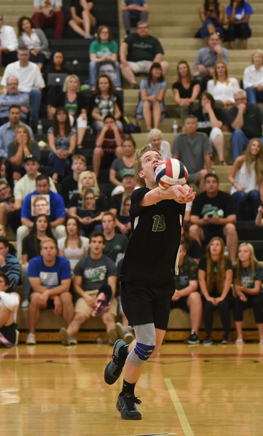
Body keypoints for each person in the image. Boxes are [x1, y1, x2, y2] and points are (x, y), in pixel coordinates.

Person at [102, 144, 194, 420]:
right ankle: (126, 396)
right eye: (148, 160)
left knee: (152, 344)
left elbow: (178, 195)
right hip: (136, 280)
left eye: (158, 157)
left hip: (163, 280)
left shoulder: (178, 199)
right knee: (145, 343)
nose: (155, 160)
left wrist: (183, 191)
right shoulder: (139, 195)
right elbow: (156, 195)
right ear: (142, 172)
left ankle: (121, 351)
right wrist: (172, 190)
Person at [60, 232, 119, 345]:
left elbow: (112, 285)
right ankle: (66, 335)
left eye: (100, 242)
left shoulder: (109, 263)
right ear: (90, 245)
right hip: (87, 295)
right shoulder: (82, 263)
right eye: (94, 242)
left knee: (108, 318)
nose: (97, 245)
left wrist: (108, 300)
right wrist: (86, 297)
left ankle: (113, 339)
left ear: (103, 245)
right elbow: (76, 285)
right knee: (79, 317)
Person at [26, 238, 74, 345]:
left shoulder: (64, 262)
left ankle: (70, 333)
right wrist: (54, 297)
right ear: (41, 251)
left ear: (56, 251)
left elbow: (65, 287)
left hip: (59, 294)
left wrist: (48, 293)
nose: (49, 251)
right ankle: (31, 334)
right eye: (45, 248)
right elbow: (36, 287)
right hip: (42, 295)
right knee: (35, 297)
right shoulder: (34, 262)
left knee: (66, 296)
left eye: (51, 248)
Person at [189, 173, 238, 259]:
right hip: (205, 229)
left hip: (221, 229)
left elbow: (233, 218)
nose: (211, 184)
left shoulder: (226, 197)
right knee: (193, 229)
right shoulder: (199, 198)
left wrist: (219, 221)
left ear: (218, 184)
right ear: (204, 185)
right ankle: (198, 260)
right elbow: (193, 218)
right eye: (208, 182)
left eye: (214, 182)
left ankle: (232, 261)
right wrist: (203, 221)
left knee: (231, 227)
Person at [18, 173, 66, 258]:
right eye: (39, 186)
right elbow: (24, 219)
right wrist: (37, 226)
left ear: (49, 186)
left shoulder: (57, 197)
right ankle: (21, 261)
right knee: (21, 230)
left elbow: (61, 218)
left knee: (61, 230)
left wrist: (47, 225)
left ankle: (60, 259)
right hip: (34, 228)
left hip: (51, 227)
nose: (42, 188)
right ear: (36, 186)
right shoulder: (29, 198)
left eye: (44, 186)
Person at [198, 237, 234, 344]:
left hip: (224, 294)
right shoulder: (204, 260)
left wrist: (222, 297)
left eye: (217, 244)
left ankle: (227, 334)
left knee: (223, 304)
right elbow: (201, 280)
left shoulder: (226, 260)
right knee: (208, 305)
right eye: (212, 244)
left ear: (222, 248)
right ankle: (208, 335)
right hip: (208, 293)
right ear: (209, 247)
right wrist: (208, 297)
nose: (214, 246)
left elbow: (228, 280)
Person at [225, 90, 263, 162]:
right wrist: (240, 111)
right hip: (242, 140)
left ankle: (259, 163)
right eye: (237, 100)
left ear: (246, 99)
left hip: (257, 139)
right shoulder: (231, 111)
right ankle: (236, 161)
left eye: (242, 99)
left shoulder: (255, 108)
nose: (240, 102)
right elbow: (237, 127)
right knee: (237, 132)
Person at [233, 243, 263, 344]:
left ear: (250, 254)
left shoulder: (258, 267)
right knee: (236, 302)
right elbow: (236, 287)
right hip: (244, 294)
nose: (242, 254)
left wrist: (245, 290)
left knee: (257, 302)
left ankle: (262, 336)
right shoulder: (235, 268)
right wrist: (241, 294)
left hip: (257, 295)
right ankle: (239, 336)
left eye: (245, 251)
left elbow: (256, 290)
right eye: (240, 251)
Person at [170, 240, 202, 344]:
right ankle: (156, 335)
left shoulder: (190, 263)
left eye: (179, 251)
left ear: (184, 252)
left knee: (196, 296)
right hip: (168, 295)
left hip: (184, 295)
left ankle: (194, 335)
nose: (176, 253)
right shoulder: (165, 262)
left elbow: (193, 285)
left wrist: (180, 293)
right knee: (155, 295)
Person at [119, 22, 168, 89]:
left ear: (148, 29)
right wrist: (123, 58)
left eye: (145, 28)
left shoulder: (154, 40)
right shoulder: (132, 37)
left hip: (149, 64)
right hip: (134, 64)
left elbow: (159, 54)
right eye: (140, 28)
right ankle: (134, 84)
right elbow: (124, 46)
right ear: (137, 30)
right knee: (122, 65)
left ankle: (154, 84)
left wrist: (154, 65)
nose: (143, 30)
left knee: (165, 64)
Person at [172, 115, 213, 192]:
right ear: (184, 126)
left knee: (204, 173)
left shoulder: (203, 137)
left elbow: (207, 158)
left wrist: (210, 176)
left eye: (193, 123)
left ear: (197, 126)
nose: (191, 125)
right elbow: (175, 158)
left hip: (197, 173)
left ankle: (201, 200)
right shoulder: (179, 138)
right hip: (182, 173)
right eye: (188, 123)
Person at [1, 49, 45, 119]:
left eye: (25, 55)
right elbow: (5, 85)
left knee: (36, 91)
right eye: (22, 55)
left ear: (29, 56)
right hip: (15, 92)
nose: (23, 57)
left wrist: (35, 88)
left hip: (29, 92)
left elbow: (40, 85)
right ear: (18, 56)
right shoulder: (10, 67)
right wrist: (4, 95)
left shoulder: (34, 67)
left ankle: (34, 117)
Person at [229, 138, 263, 220]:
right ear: (249, 147)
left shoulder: (262, 162)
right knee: (242, 196)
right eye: (254, 145)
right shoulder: (240, 160)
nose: (256, 148)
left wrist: (262, 195)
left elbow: (262, 180)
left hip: (253, 189)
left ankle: (258, 221)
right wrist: (236, 185)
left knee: (255, 195)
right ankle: (240, 221)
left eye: (258, 146)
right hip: (239, 190)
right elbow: (230, 176)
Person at [68, 171, 107, 237]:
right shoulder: (76, 196)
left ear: (94, 181)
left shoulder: (101, 197)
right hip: (80, 223)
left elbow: (103, 214)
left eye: (90, 178)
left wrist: (93, 220)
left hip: (96, 223)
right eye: (85, 178)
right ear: (81, 181)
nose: (87, 180)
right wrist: (81, 220)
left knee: (98, 228)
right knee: (80, 232)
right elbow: (72, 213)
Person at [192, 92, 226, 165]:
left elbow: (216, 126)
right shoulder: (195, 113)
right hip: (199, 138)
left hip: (212, 138)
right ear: (200, 102)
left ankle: (222, 160)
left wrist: (210, 111)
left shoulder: (217, 111)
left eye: (208, 99)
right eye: (204, 99)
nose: (206, 101)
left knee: (216, 130)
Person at [47, 107, 77, 183]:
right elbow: (51, 144)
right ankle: (58, 177)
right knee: (65, 162)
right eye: (59, 114)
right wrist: (57, 152)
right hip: (54, 155)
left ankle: (55, 176)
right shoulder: (51, 130)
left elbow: (73, 145)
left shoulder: (72, 130)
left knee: (64, 155)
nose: (61, 116)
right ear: (56, 116)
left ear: (67, 116)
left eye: (64, 114)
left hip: (68, 155)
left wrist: (68, 152)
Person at [89, 25, 122, 90]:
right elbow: (92, 58)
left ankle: (117, 85)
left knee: (117, 64)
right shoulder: (94, 44)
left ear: (109, 34)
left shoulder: (113, 43)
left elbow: (115, 58)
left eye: (106, 33)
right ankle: (93, 85)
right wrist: (101, 59)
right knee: (92, 64)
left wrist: (109, 58)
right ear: (99, 34)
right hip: (99, 62)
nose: (104, 34)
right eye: (102, 32)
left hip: (109, 61)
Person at [243, 50, 263, 116]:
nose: (258, 59)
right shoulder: (247, 70)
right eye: (256, 57)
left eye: (260, 57)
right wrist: (255, 86)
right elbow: (246, 84)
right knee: (249, 89)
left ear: (262, 59)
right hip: (252, 91)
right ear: (253, 59)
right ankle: (253, 109)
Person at [137, 62, 166, 130]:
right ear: (151, 71)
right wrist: (150, 98)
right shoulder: (144, 82)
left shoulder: (163, 83)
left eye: (160, 70)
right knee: (146, 103)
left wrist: (155, 98)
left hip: (157, 103)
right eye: (156, 70)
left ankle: (156, 128)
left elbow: (160, 98)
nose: (158, 72)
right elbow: (143, 98)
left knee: (156, 102)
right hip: (146, 102)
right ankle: (148, 128)